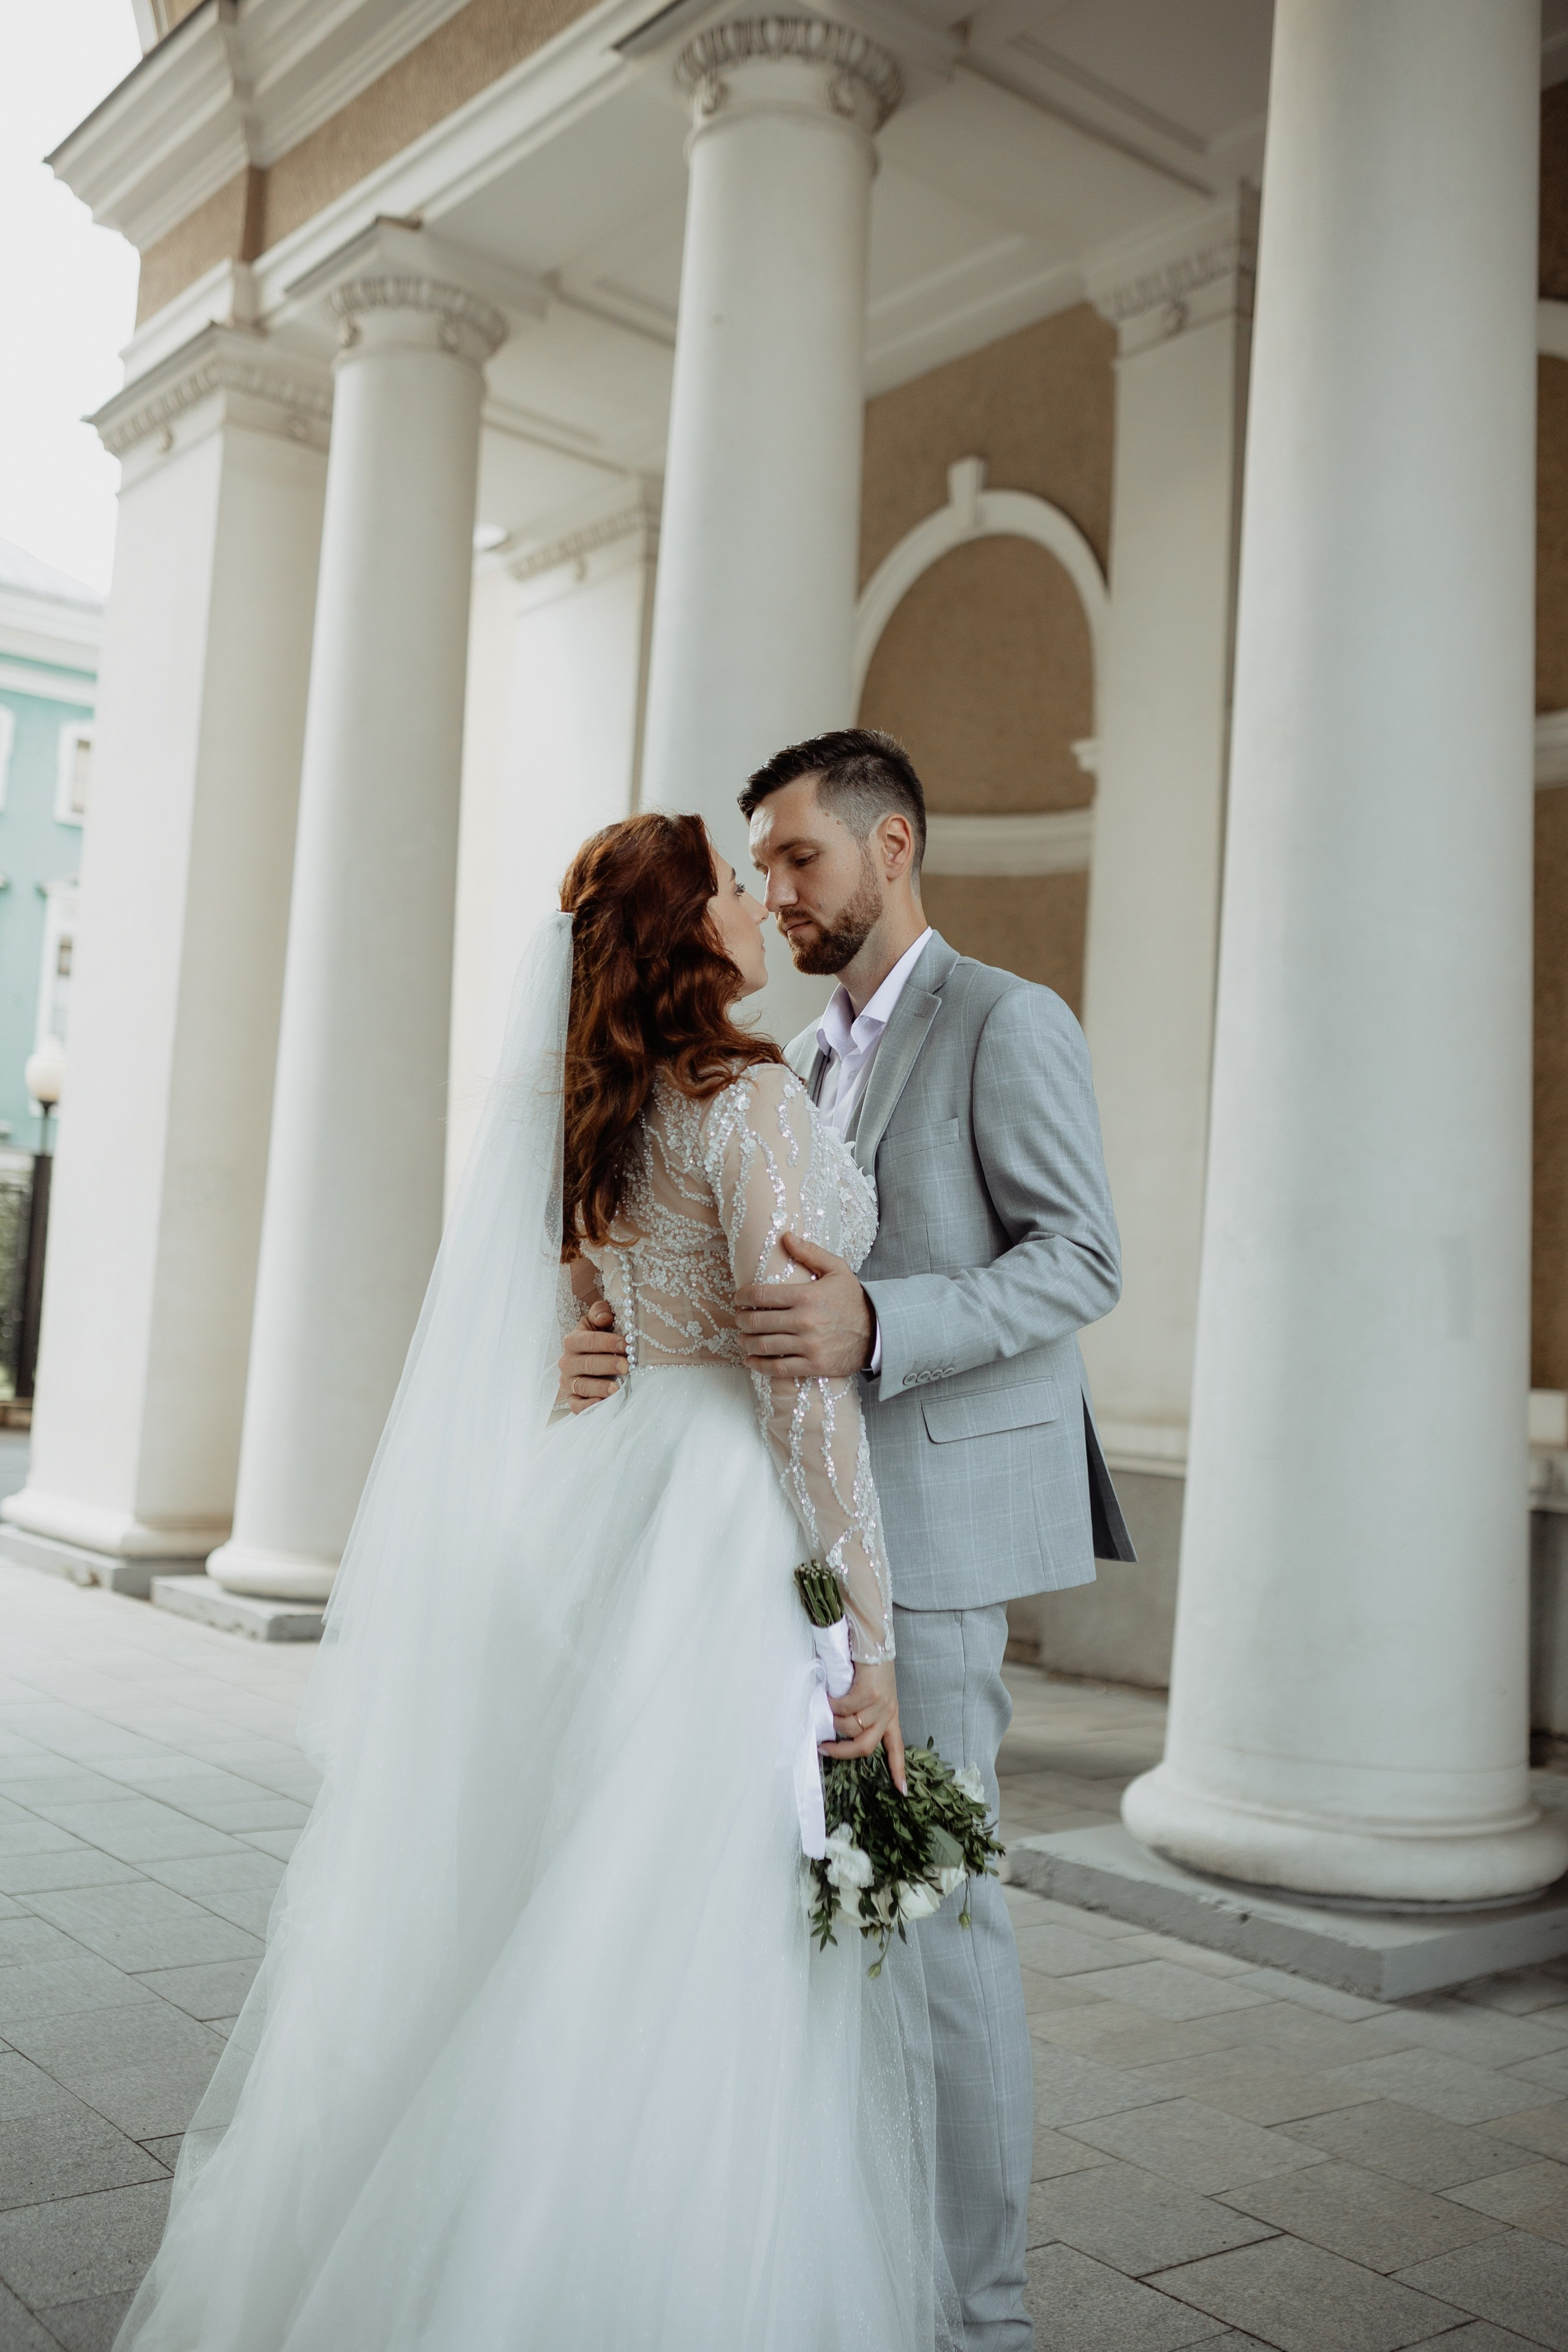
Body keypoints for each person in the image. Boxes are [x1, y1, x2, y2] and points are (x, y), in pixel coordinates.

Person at [115, 813, 959, 2352]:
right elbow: (794, 1390)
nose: (752, 904)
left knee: (557, 1890)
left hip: (602, 1500)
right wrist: (870, 1642)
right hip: (714, 1522)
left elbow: (587, 1318)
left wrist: (610, 1351)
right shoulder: (745, 1096)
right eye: (726, 885)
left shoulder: (601, 1107)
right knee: (688, 1937)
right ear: (692, 934)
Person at [562, 729, 1134, 2352]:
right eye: (760, 867)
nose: (779, 890)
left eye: (800, 857)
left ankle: (977, 2319)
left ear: (894, 850)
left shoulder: (1007, 1022)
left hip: (929, 1551)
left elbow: (1082, 1257)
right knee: (826, 1934)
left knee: (937, 1925)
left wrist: (878, 1314)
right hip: (790, 1561)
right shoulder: (794, 1058)